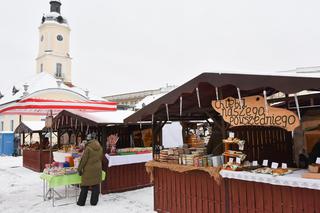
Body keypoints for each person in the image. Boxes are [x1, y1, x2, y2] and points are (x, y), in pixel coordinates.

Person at [77, 133, 103, 206]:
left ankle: (81, 202)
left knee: (85, 185)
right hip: (97, 168)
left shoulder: (88, 148)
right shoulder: (100, 147)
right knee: (96, 185)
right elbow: (100, 158)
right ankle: (94, 202)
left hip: (88, 170)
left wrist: (79, 169)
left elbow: (83, 160)